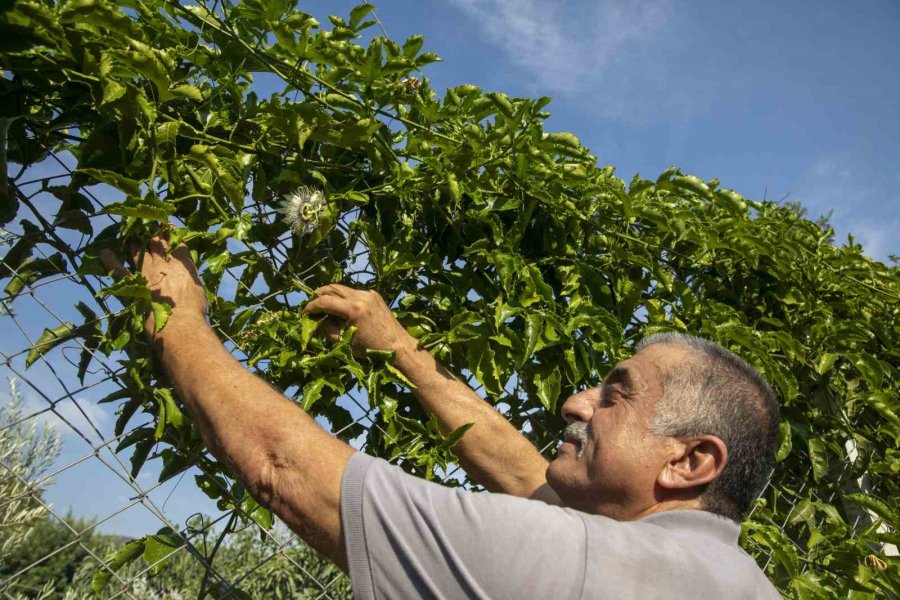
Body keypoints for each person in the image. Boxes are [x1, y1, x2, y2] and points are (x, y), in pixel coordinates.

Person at [101, 234, 782, 599]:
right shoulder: (735, 580)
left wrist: (175, 317)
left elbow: (282, 464)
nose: (575, 403)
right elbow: (526, 476)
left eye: (614, 396)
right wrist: (403, 352)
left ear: (691, 460)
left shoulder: (571, 563)